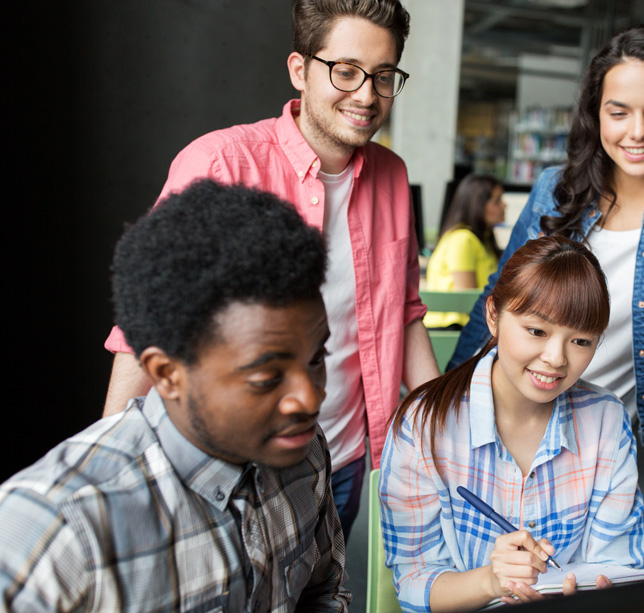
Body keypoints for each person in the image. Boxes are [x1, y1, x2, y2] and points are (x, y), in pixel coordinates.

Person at [100, 0, 439, 540]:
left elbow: (404, 311)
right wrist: (109, 469)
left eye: (382, 76)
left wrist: (440, 436)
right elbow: (146, 325)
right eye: (346, 71)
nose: (367, 95)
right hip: (233, 469)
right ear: (300, 70)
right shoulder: (221, 164)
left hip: (347, 459)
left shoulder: (392, 175)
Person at [0, 180, 349, 611]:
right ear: (167, 375)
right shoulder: (54, 531)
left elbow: (322, 593)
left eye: (316, 358)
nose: (309, 399)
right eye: (265, 377)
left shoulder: (305, 453)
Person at [450, 25, 644, 448]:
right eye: (618, 113)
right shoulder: (554, 191)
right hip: (513, 421)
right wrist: (450, 399)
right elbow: (500, 299)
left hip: (620, 441)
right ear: (596, 115)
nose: (637, 132)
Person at [380, 236, 644, 612]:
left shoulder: (607, 420)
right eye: (536, 331)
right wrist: (490, 581)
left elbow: (620, 566)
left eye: (581, 341)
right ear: (493, 315)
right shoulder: (422, 425)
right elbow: (412, 585)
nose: (556, 358)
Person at [423, 174, 506, 329]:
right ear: (478, 205)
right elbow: (468, 299)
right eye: (496, 201)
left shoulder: (483, 239)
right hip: (453, 328)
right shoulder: (462, 240)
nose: (504, 205)